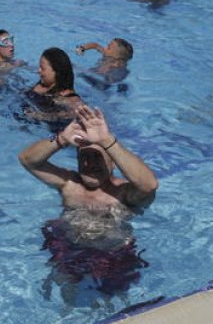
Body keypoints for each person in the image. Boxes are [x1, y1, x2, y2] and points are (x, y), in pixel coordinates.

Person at [19, 106, 158, 299]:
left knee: (114, 300)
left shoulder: (123, 193)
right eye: (84, 157)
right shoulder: (70, 185)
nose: (89, 164)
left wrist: (106, 140)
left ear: (112, 162)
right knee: (66, 300)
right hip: (69, 249)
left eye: (97, 158)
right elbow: (28, 160)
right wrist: (59, 139)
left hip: (113, 254)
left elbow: (149, 185)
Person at [30, 47, 83, 117]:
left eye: (42, 68)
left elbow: (80, 113)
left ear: (57, 72)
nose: (38, 71)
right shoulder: (43, 84)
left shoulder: (69, 98)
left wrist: (43, 116)